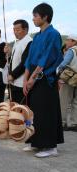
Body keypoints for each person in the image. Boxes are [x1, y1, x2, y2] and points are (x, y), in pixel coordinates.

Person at [23, 3, 64, 158]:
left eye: (35, 16)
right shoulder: (37, 36)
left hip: (46, 78)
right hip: (33, 76)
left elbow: (45, 60)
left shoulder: (53, 34)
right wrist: (26, 79)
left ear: (45, 17)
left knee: (46, 112)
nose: (33, 19)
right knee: (35, 112)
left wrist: (33, 78)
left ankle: (50, 146)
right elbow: (29, 60)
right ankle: (36, 143)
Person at [4, 20, 32, 103]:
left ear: (25, 29)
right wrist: (9, 53)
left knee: (22, 109)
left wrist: (12, 75)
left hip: (22, 83)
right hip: (14, 82)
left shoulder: (29, 42)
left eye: (18, 29)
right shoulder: (17, 42)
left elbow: (25, 63)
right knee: (15, 108)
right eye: (14, 30)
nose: (15, 32)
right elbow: (14, 60)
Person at [57, 35, 77, 131]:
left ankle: (62, 122)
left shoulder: (71, 51)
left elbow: (64, 63)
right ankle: (74, 124)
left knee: (63, 101)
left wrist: (57, 71)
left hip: (69, 78)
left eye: (68, 40)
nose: (66, 42)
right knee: (75, 102)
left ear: (74, 42)